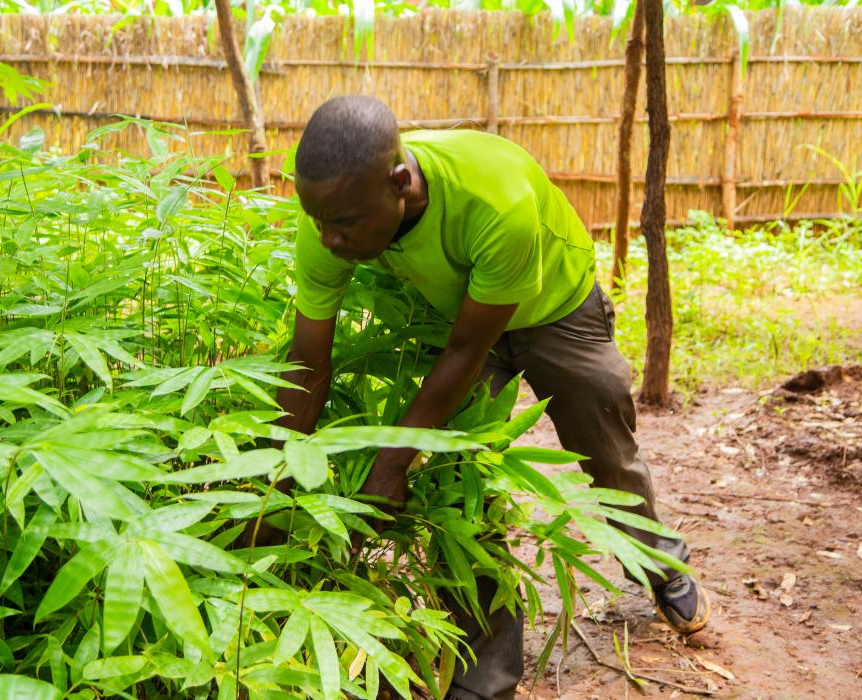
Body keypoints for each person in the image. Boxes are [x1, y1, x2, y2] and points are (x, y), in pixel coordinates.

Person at [274, 95, 709, 700]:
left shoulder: (492, 197)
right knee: (459, 487)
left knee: (604, 452)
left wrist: (393, 458)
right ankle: (486, 680)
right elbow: (309, 361)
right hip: (455, 318)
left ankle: (663, 562)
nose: (329, 238)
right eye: (319, 221)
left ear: (400, 183)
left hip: (555, 308)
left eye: (344, 223)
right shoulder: (328, 212)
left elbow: (468, 350)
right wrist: (274, 472)